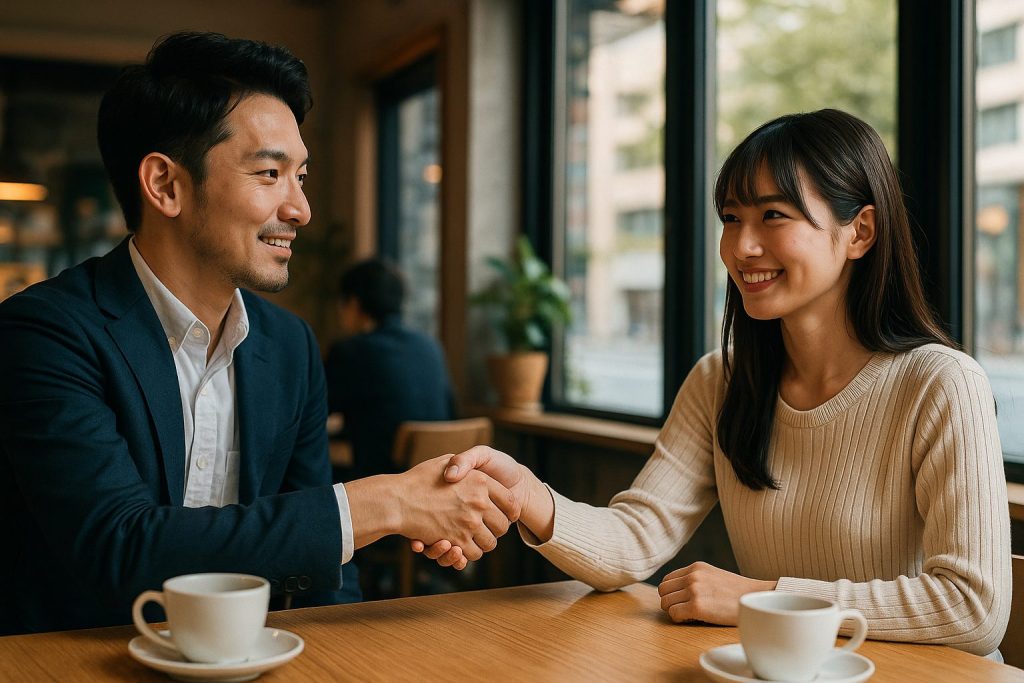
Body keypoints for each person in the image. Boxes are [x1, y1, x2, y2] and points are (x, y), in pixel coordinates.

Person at [430, 109, 1012, 658]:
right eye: (731, 219)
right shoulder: (721, 381)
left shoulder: (939, 383)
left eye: (773, 216)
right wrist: (529, 495)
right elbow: (634, 539)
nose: (740, 247)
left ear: (860, 232)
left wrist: (762, 597)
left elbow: (972, 607)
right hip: (787, 670)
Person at [0, 32, 517, 636]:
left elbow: (331, 572)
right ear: (166, 185)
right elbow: (120, 546)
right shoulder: (43, 333)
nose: (300, 209)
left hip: (251, 659)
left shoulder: (289, 346)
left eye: (301, 176)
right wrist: (386, 502)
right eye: (269, 173)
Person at [325, 259, 454, 480]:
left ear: (353, 303)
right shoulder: (430, 346)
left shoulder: (351, 351)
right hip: (438, 479)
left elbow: (314, 413)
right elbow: (450, 409)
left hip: (381, 485)